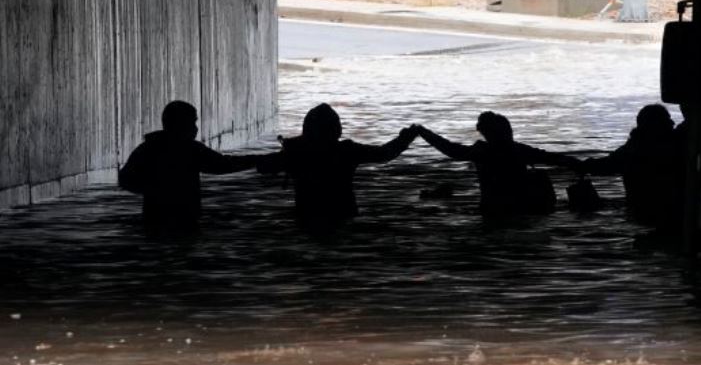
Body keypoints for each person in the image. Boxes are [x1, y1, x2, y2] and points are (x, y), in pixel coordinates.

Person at [258, 103, 419, 229]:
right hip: (344, 218)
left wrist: (288, 152)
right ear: (337, 130)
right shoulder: (347, 150)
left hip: (306, 220)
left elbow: (264, 168)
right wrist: (406, 138)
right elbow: (384, 154)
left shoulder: (296, 152)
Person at [118, 100, 263, 230]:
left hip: (153, 220)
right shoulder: (189, 149)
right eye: (193, 122)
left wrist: (152, 190)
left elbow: (124, 179)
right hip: (185, 221)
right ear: (181, 124)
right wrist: (260, 160)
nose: (196, 128)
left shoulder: (148, 148)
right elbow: (223, 164)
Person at [417, 112, 582, 217]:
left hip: (494, 209)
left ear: (485, 133)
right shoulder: (519, 150)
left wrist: (424, 133)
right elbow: (555, 158)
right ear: (507, 131)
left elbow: (451, 150)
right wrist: (582, 166)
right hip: (526, 208)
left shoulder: (481, 152)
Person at [583, 104, 680, 227]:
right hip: (654, 214)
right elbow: (606, 165)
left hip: (641, 214)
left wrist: (585, 165)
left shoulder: (632, 148)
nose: (672, 123)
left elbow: (605, 165)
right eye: (667, 119)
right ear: (655, 125)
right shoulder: (667, 147)